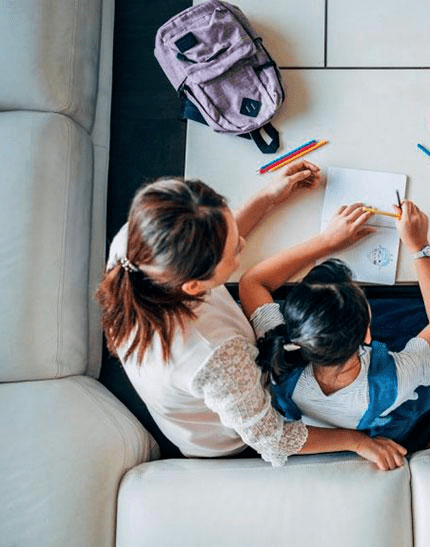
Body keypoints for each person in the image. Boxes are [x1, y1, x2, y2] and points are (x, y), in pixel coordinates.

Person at [95, 161, 407, 470]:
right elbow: (272, 438)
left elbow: (221, 250)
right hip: (233, 431)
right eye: (233, 252)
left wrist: (268, 198)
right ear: (193, 285)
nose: (242, 243)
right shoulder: (213, 355)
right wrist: (357, 441)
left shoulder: (138, 244)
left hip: (231, 371)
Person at [239, 200, 430, 452]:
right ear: (368, 333)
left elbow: (252, 283)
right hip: (385, 408)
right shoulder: (396, 378)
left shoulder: (277, 354)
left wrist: (327, 241)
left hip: (326, 416)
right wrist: (419, 246)